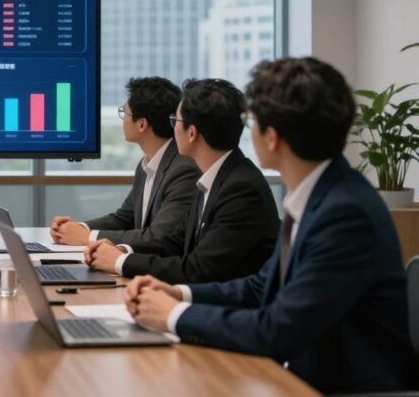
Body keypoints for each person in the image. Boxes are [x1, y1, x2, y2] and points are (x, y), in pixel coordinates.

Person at [125, 58, 415, 393]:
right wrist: (178, 293)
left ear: (272, 137)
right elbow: (260, 288)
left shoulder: (346, 214)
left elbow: (277, 330)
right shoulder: (318, 193)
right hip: (297, 375)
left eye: (251, 121)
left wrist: (174, 315)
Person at [86, 78, 279, 283]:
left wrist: (120, 262)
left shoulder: (241, 188)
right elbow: (173, 241)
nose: (172, 129)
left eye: (175, 121)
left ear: (192, 133)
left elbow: (198, 269)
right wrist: (121, 251)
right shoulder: (214, 176)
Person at [50, 77, 200, 247]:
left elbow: (159, 236)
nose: (123, 119)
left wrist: (88, 237)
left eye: (125, 112)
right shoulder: (147, 165)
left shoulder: (183, 169)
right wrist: (78, 229)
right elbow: (125, 218)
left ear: (142, 124)